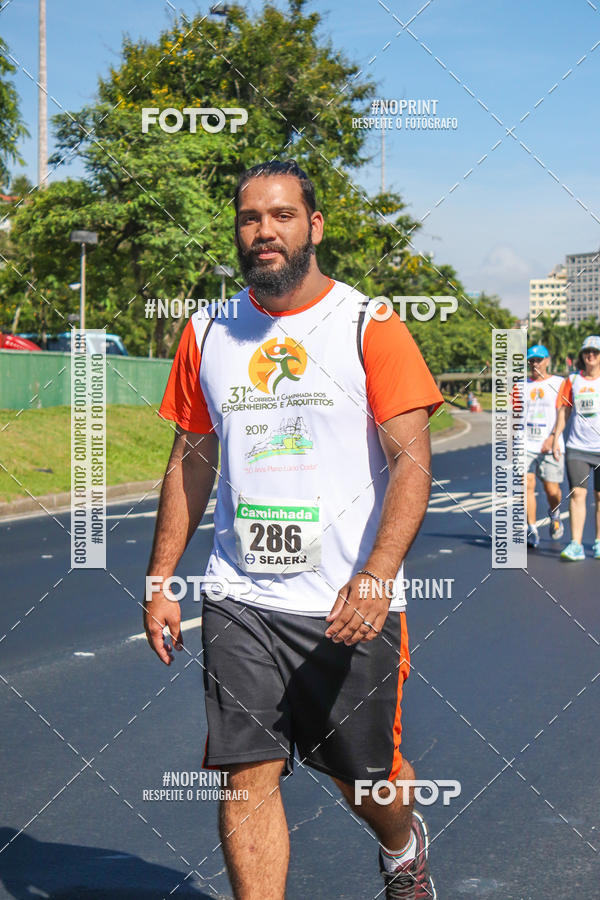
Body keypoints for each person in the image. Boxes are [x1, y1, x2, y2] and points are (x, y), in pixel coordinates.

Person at [144, 160, 443, 899]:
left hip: (347, 600)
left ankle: (403, 847)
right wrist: (160, 580)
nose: (264, 231)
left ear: (313, 226)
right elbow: (189, 463)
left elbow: (412, 466)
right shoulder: (208, 330)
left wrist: (377, 573)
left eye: (281, 216)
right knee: (247, 774)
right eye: (250, 218)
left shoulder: (369, 324)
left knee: (364, 781)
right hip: (240, 596)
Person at [552, 335, 600, 560]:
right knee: (577, 494)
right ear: (582, 355)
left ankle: (599, 542)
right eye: (587, 352)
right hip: (577, 447)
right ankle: (576, 544)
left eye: (595, 352)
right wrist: (555, 437)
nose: (591, 355)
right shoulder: (572, 380)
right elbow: (564, 411)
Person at [521, 344, 565, 549]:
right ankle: (532, 529)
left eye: (538, 360)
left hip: (550, 444)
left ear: (547, 361)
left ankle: (554, 513)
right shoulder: (521, 386)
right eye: (531, 360)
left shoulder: (558, 383)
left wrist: (553, 437)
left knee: (551, 490)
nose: (535, 364)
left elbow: (563, 414)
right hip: (526, 444)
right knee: (526, 486)